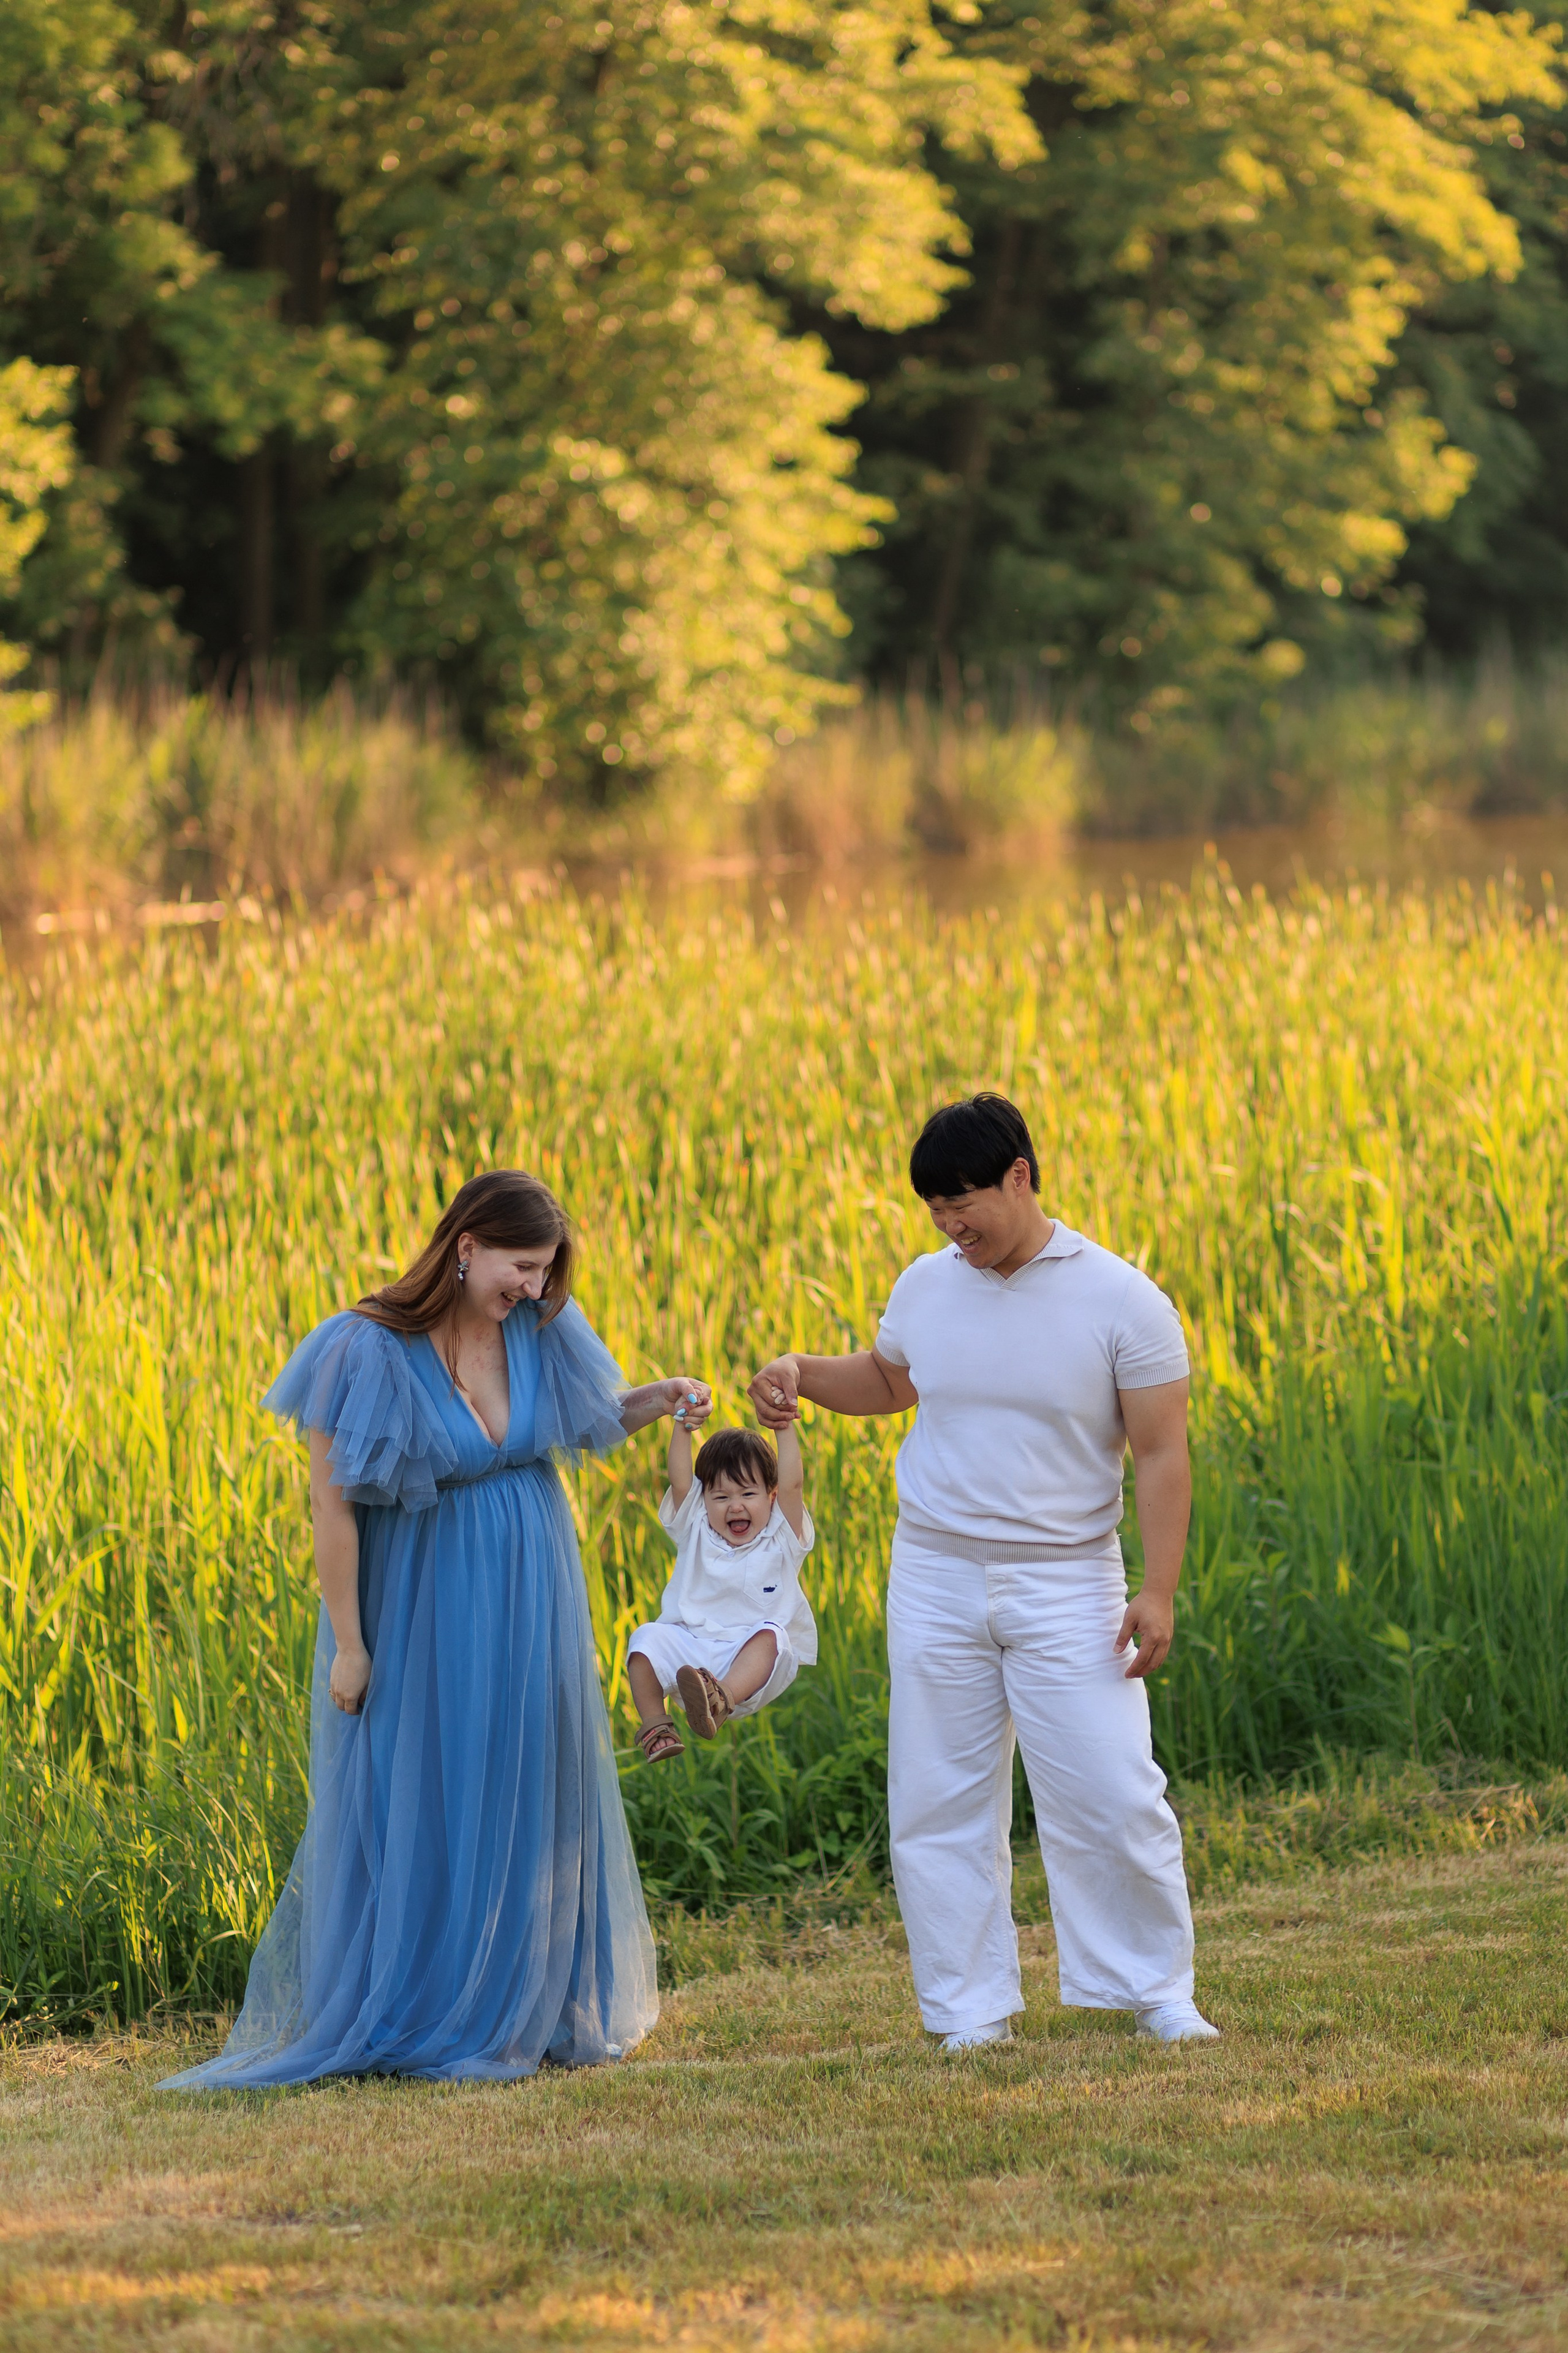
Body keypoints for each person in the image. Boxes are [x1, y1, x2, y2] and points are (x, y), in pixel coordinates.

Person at [162, 1169, 710, 2090]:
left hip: (534, 1582)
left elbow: (575, 1422)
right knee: (429, 1783)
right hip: (422, 1599)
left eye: (544, 1271)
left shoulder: (540, 1327)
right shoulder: (363, 1349)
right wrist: (349, 1642)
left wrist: (659, 1398)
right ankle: (427, 2002)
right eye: (520, 1266)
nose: (533, 1287)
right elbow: (331, 1511)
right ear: (466, 1247)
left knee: (531, 1774)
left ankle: (529, 2002)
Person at [748, 1093, 1218, 2050]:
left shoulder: (1124, 1300)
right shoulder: (929, 1283)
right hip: (935, 1571)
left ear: (1020, 1176)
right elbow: (889, 1381)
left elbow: (1163, 1453)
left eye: (964, 1201)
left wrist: (1158, 1588)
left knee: (1113, 1789)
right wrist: (798, 1370)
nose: (951, 1225)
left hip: (1068, 1577)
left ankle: (1155, 1992)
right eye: (934, 1209)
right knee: (938, 1797)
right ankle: (968, 2014)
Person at [626, 1416, 815, 1759]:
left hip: (747, 1667)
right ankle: (657, 1726)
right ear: (704, 1501)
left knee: (773, 1635)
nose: (735, 1505)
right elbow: (681, 1481)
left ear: (771, 1498)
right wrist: (683, 1427)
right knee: (643, 1640)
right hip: (691, 1654)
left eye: (748, 1493)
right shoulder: (695, 1526)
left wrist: (783, 1425)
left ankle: (719, 1700)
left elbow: (794, 1486)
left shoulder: (781, 1535)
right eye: (722, 1496)